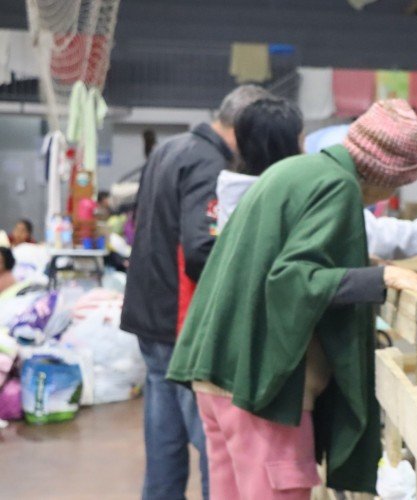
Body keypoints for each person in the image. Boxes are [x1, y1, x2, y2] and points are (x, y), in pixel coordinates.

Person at [167, 99, 417, 499]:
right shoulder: (338, 187)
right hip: (260, 390)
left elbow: (276, 258)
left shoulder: (293, 171)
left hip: (218, 377)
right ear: (387, 176)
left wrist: (362, 262)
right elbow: (293, 279)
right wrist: (383, 275)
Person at [120, 84, 271, 500]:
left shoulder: (172, 148)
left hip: (149, 313)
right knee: (211, 440)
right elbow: (202, 249)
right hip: (178, 319)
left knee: (163, 435)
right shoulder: (209, 163)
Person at [303, 124, 417, 259]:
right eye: (394, 184)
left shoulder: (319, 166)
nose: (391, 193)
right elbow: (374, 236)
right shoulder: (334, 191)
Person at [216, 94, 304, 233]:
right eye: (300, 142)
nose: (305, 151)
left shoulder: (229, 187)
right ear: (286, 147)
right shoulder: (286, 199)